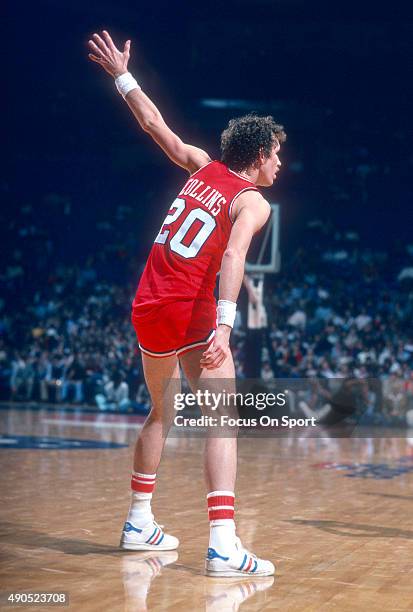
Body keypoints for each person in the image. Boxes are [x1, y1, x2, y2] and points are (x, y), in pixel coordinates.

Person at [88, 30, 286, 577]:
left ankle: (138, 521)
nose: (280, 164)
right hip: (192, 309)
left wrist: (121, 75)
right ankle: (223, 544)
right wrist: (224, 326)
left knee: (162, 411)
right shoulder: (254, 201)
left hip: (148, 302)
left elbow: (154, 125)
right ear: (260, 155)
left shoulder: (200, 167)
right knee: (223, 422)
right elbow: (233, 257)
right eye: (277, 154)